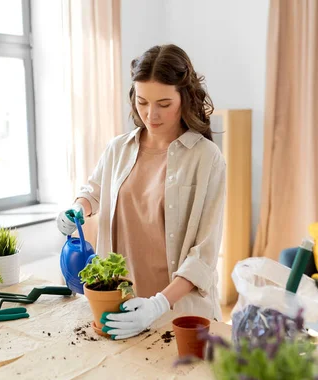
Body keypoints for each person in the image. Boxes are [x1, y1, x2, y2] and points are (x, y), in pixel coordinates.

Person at [57, 44, 226, 340]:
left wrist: (158, 304)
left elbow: (204, 253)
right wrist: (78, 209)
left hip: (178, 311)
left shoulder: (206, 158)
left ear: (184, 98)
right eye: (142, 101)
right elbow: (94, 191)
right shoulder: (118, 149)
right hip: (118, 304)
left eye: (164, 103)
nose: (151, 114)